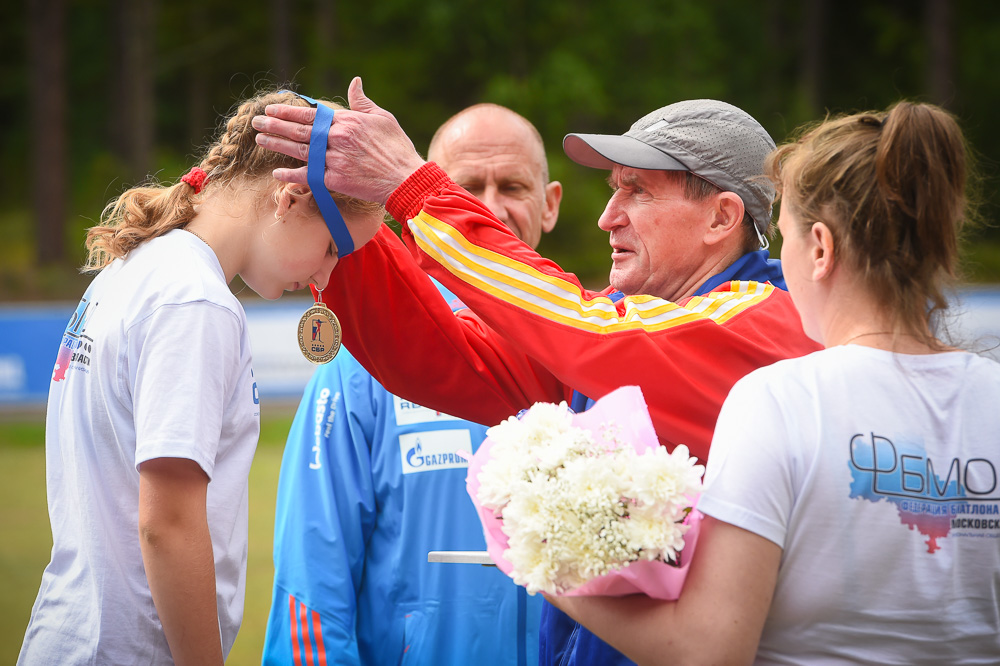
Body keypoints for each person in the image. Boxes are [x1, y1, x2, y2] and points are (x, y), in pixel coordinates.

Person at [251, 77, 821, 665]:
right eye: (612, 190)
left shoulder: (759, 318)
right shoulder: (638, 326)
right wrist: (347, 220)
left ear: (721, 217)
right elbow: (447, 358)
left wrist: (413, 187)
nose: (607, 217)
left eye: (638, 192)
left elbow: (581, 326)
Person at [547, 102, 1000, 663]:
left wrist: (551, 568)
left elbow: (708, 651)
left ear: (819, 250)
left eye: (780, 240)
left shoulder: (779, 399)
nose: (773, 268)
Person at [17, 90, 384, 666]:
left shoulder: (138, 266)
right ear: (288, 198)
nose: (325, 274)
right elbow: (167, 523)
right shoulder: (196, 301)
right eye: (334, 248)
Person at [261, 103, 560, 666]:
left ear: (551, 205)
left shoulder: (582, 345)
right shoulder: (365, 359)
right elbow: (311, 576)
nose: (488, 207)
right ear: (414, 204)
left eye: (513, 186)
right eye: (465, 186)